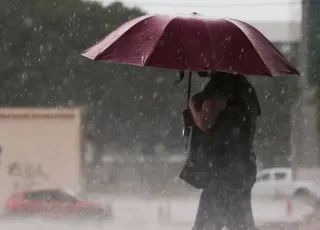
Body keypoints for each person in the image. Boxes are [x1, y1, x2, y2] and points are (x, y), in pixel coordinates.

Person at [181, 71, 261, 230]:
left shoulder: (224, 83)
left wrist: (192, 105)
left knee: (239, 225)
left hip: (225, 173)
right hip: (233, 170)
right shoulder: (242, 87)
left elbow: (206, 121)